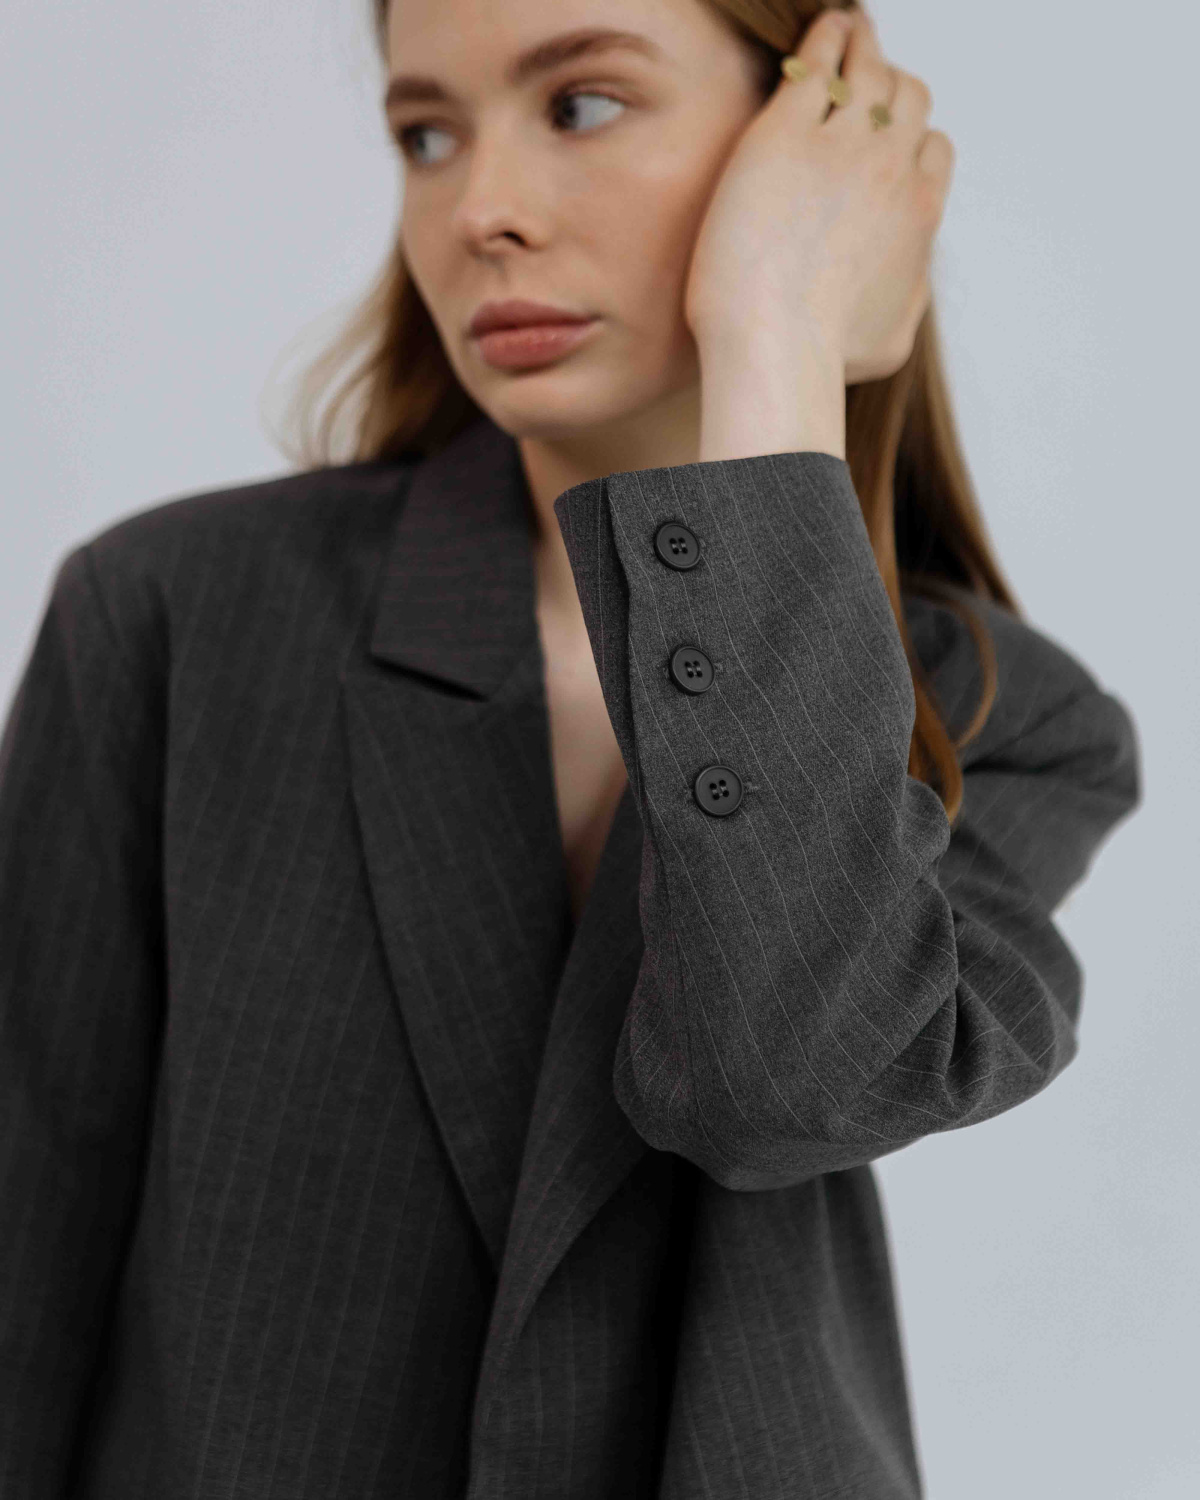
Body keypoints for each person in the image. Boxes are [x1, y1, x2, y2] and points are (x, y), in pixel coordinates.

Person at [0, 0, 1142, 1495]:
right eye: (425, 133)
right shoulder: (173, 619)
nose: (481, 210)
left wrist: (777, 342)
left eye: (583, 104)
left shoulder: (1000, 713)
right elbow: (25, 1253)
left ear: (813, 136)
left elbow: (781, 1087)